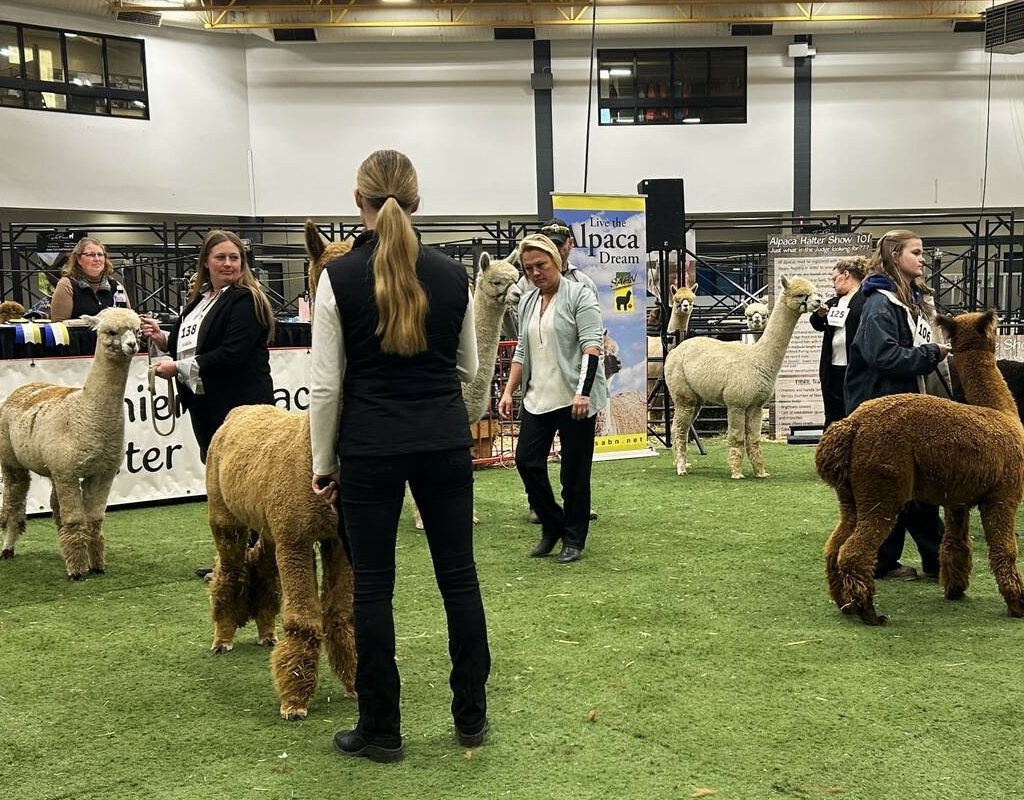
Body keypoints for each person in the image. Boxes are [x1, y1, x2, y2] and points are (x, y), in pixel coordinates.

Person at [309, 149, 490, 764]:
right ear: (418, 201)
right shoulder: (450, 274)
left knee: (374, 590)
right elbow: (468, 367)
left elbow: (327, 385)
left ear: (356, 200)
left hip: (369, 446)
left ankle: (381, 730)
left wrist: (321, 465)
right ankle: (471, 717)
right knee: (458, 579)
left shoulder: (335, 277)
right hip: (441, 439)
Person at [845, 229, 950, 582]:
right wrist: (929, 354)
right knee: (892, 490)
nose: (922, 259)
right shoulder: (880, 303)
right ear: (894, 255)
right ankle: (879, 562)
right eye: (916, 252)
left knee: (911, 486)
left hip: (902, 407)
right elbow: (882, 355)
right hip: (883, 408)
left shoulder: (907, 299)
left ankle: (926, 559)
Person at [498, 234, 608, 565]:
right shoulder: (529, 301)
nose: (534, 273)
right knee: (526, 462)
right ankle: (552, 523)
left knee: (574, 472)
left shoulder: (580, 296)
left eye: (540, 265)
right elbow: (521, 349)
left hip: (575, 399)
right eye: (528, 267)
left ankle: (573, 538)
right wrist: (507, 391)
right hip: (538, 397)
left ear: (556, 262)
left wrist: (582, 392)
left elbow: (592, 346)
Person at [140, 229, 275, 463]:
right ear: (205, 261)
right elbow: (195, 343)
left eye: (234, 257)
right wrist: (162, 337)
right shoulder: (199, 301)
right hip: (204, 404)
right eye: (220, 257)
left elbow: (231, 354)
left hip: (241, 407)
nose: (228, 264)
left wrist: (178, 368)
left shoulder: (245, 299)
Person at [809, 257, 866, 429]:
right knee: (833, 415)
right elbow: (816, 324)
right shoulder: (833, 302)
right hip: (832, 368)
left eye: (835, 279)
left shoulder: (865, 299)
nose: (833, 283)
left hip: (856, 368)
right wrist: (820, 314)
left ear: (846, 275)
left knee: (855, 413)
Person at [49, 237, 130, 322]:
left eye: (100, 254)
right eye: (91, 255)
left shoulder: (116, 286)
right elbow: (59, 326)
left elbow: (129, 319)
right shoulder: (66, 285)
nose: (97, 259)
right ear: (79, 259)